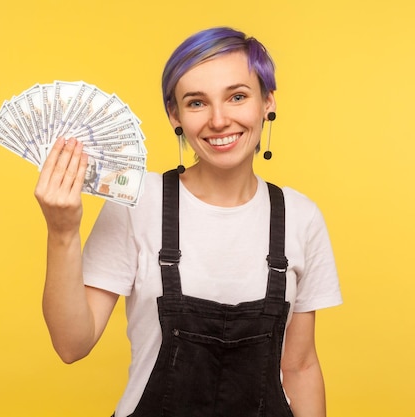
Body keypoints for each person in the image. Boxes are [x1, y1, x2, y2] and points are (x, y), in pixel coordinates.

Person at [34, 27, 342, 417]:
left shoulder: (300, 217)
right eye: (197, 103)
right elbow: (71, 345)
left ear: (267, 102)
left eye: (237, 96)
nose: (219, 119)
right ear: (174, 115)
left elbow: (299, 366)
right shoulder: (136, 201)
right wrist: (61, 233)